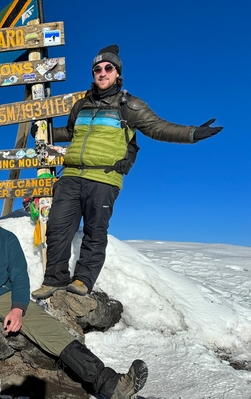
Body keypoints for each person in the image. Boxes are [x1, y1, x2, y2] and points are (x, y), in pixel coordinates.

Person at [31, 45, 223, 300]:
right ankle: (54, 279)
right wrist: (44, 133)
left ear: (117, 72)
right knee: (57, 227)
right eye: (97, 69)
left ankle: (82, 279)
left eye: (108, 68)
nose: (102, 72)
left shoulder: (129, 105)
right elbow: (71, 132)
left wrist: (191, 134)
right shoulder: (81, 106)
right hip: (71, 175)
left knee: (95, 231)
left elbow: (158, 127)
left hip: (104, 177)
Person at [0, 186, 148, 399]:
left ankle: (112, 385)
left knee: (52, 331)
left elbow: (19, 276)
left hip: (2, 295)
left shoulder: (7, 239)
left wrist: (18, 308)